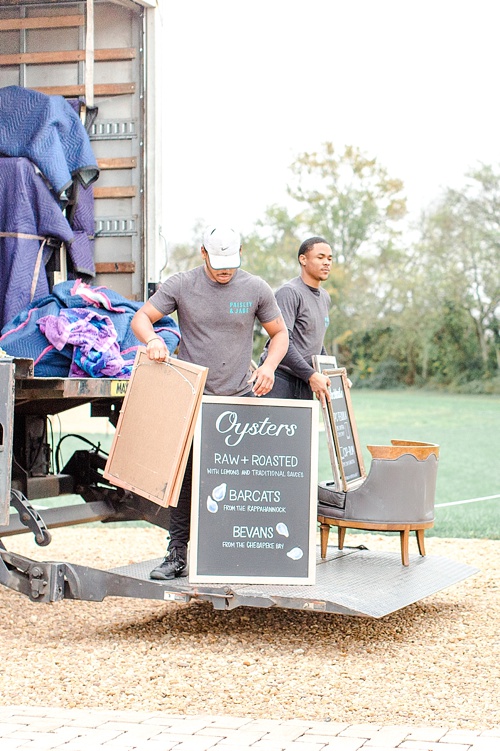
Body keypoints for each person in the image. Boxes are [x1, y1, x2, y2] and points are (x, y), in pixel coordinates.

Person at [131, 225, 288, 580]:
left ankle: (240, 552)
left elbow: (279, 333)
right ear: (203, 253)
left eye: (230, 263)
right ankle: (177, 554)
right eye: (218, 262)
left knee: (244, 477)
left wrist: (269, 366)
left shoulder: (255, 288)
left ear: (241, 253)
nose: (224, 270)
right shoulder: (181, 285)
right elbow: (141, 318)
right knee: (185, 479)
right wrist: (153, 340)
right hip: (193, 398)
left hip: (240, 400)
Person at [259, 236, 333, 404]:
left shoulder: (325, 297)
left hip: (305, 381)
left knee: (305, 431)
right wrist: (311, 375)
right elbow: (283, 342)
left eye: (329, 258)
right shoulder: (289, 293)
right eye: (320, 257)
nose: (327, 263)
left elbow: (315, 343)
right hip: (280, 380)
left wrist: (334, 377)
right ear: (303, 259)